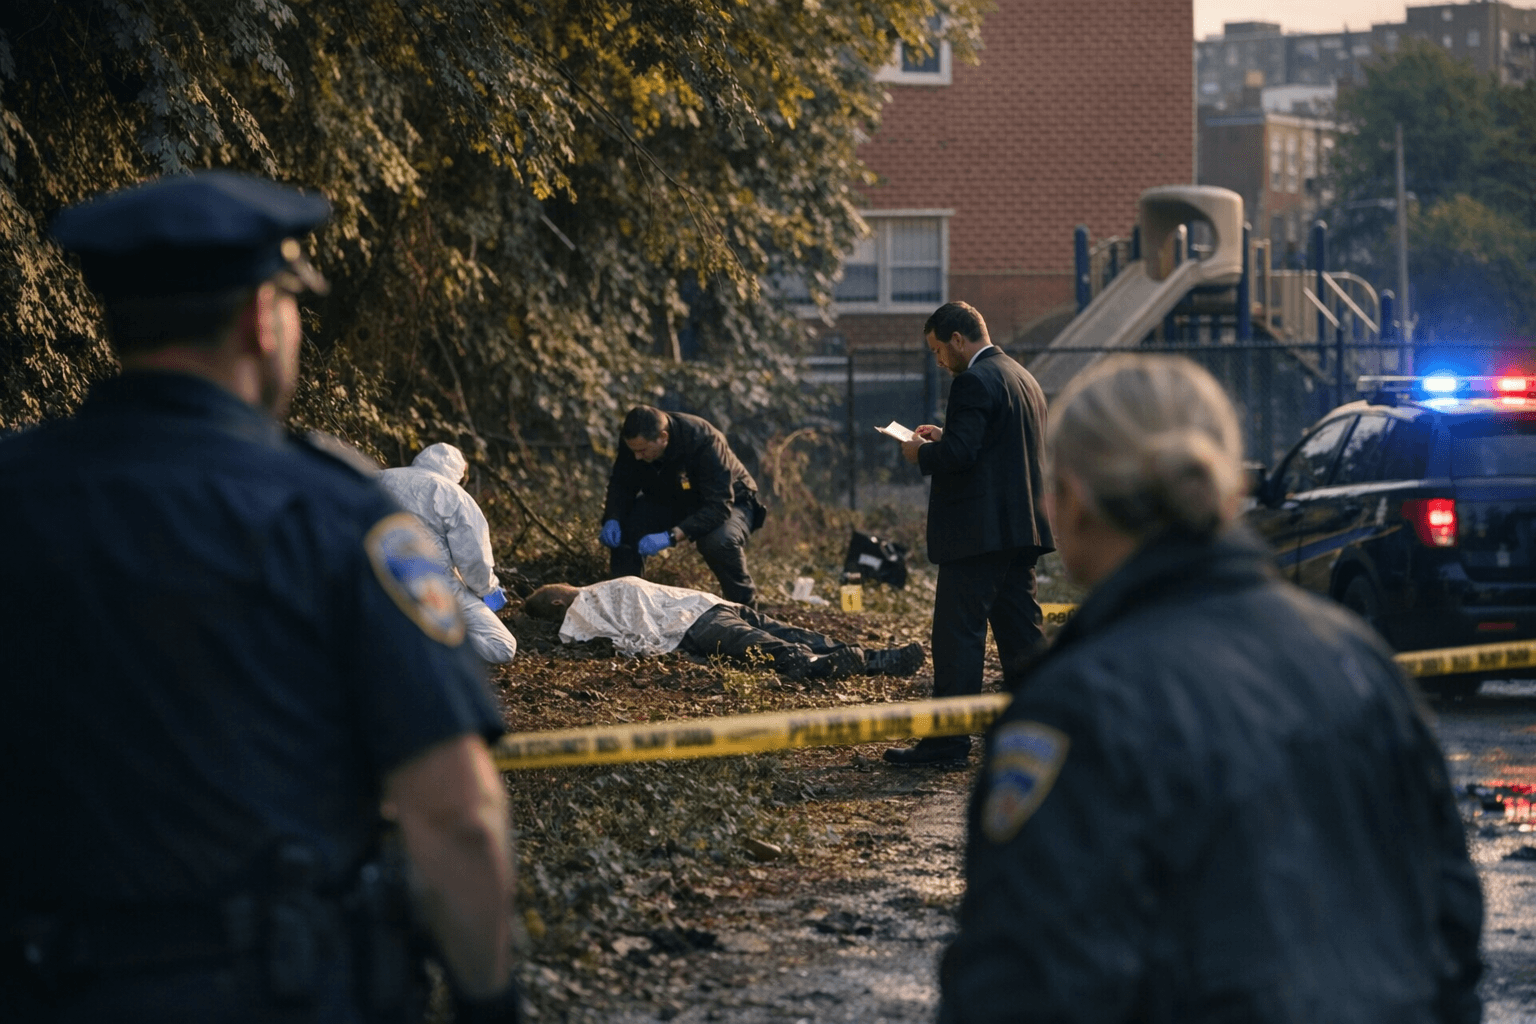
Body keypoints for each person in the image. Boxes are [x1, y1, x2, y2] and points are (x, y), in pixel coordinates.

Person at [0, 171, 520, 1021]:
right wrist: (489, 1003)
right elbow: (456, 812)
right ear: (259, 320)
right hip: (274, 988)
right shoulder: (337, 517)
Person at [937, 355, 1483, 1023]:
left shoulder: (1075, 709)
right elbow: (1451, 926)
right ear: (1227, 498)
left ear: (1071, 503)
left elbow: (1019, 985)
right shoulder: (1359, 661)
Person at [885, 301, 1053, 767]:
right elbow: (994, 446)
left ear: (958, 339)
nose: (939, 360)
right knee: (1023, 640)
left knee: (958, 637)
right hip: (1021, 530)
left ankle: (947, 743)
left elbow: (961, 457)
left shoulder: (972, 380)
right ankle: (1043, 732)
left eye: (939, 349)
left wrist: (920, 452)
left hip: (978, 535)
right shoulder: (1021, 376)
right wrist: (946, 434)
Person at [524, 577, 925, 680]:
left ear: (560, 605)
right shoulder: (605, 588)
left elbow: (573, 633)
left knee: (771, 645)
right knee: (790, 632)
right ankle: (873, 659)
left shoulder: (582, 607)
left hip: (695, 622)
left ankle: (820, 665)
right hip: (712, 604)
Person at [599, 405, 766, 605]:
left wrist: (671, 536)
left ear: (663, 436)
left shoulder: (704, 439)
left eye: (642, 450)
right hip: (675, 496)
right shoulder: (636, 441)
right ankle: (624, 604)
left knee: (718, 541)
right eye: (634, 451)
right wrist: (613, 518)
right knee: (627, 524)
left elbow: (718, 506)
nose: (637, 457)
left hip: (730, 501)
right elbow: (621, 483)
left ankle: (746, 610)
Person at [380, 442, 519, 664]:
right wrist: (489, 591)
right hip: (434, 585)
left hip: (372, 576)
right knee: (502, 646)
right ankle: (426, 639)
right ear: (459, 472)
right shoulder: (456, 496)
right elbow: (474, 562)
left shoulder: (379, 479)